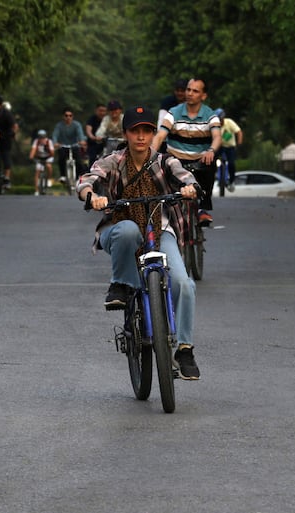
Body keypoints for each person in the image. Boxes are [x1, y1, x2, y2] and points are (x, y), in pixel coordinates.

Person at [77, 106, 202, 380]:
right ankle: (121, 285)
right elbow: (88, 179)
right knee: (129, 230)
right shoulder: (113, 161)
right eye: (136, 131)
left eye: (147, 131)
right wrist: (91, 196)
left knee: (183, 283)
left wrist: (190, 187)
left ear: (152, 134)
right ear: (126, 134)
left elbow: (183, 175)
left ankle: (184, 348)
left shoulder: (163, 161)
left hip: (159, 230)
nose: (141, 137)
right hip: (119, 229)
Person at [151, 78, 221, 225]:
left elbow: (217, 137)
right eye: (188, 90)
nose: (190, 93)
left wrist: (211, 150)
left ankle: (203, 208)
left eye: (195, 91)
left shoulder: (210, 115)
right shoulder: (173, 113)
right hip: (175, 160)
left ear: (203, 96)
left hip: (200, 161)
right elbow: (160, 136)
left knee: (211, 163)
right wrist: (150, 153)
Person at [52, 107, 87, 183]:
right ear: (63, 116)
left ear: (72, 116)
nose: (68, 117)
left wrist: (82, 141)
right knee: (61, 158)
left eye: (70, 115)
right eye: (66, 115)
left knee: (78, 161)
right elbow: (55, 135)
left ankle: (78, 177)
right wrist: (55, 143)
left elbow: (80, 134)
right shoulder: (59, 126)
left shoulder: (77, 125)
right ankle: (63, 176)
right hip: (63, 146)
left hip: (75, 145)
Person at [214, 107, 242, 191]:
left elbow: (239, 132)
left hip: (230, 147)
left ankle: (231, 181)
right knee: (211, 160)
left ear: (223, 118)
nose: (219, 121)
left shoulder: (229, 122)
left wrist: (239, 144)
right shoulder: (215, 126)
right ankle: (214, 175)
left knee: (231, 163)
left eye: (220, 119)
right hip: (219, 147)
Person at [29, 129, 54, 195]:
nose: (41, 139)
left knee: (48, 166)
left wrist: (46, 146)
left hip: (48, 157)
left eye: (43, 137)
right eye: (40, 137)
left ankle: (49, 179)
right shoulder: (36, 141)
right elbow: (33, 150)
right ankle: (36, 190)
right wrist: (31, 156)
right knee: (37, 171)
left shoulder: (49, 141)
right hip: (39, 158)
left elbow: (52, 152)